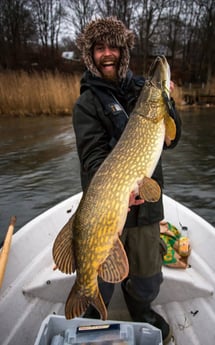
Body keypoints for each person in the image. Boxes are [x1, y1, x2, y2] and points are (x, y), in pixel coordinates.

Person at [72, 17, 181, 344]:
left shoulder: (141, 91)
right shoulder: (86, 103)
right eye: (100, 48)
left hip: (145, 205)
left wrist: (168, 103)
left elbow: (172, 140)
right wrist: (118, 192)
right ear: (92, 54)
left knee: (148, 279)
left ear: (123, 51)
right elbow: (91, 157)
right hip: (107, 204)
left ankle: (141, 307)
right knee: (100, 277)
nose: (108, 54)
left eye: (114, 47)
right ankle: (93, 303)